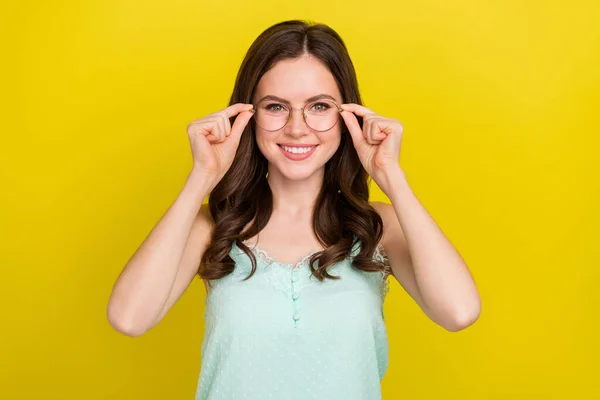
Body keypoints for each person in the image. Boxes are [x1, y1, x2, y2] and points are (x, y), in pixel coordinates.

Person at [107, 19, 481, 400]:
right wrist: (202, 176)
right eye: (275, 107)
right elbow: (129, 318)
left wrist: (391, 175)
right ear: (247, 117)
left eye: (319, 106)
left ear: (347, 116)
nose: (297, 128)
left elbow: (459, 312)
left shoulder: (377, 225)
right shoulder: (212, 225)